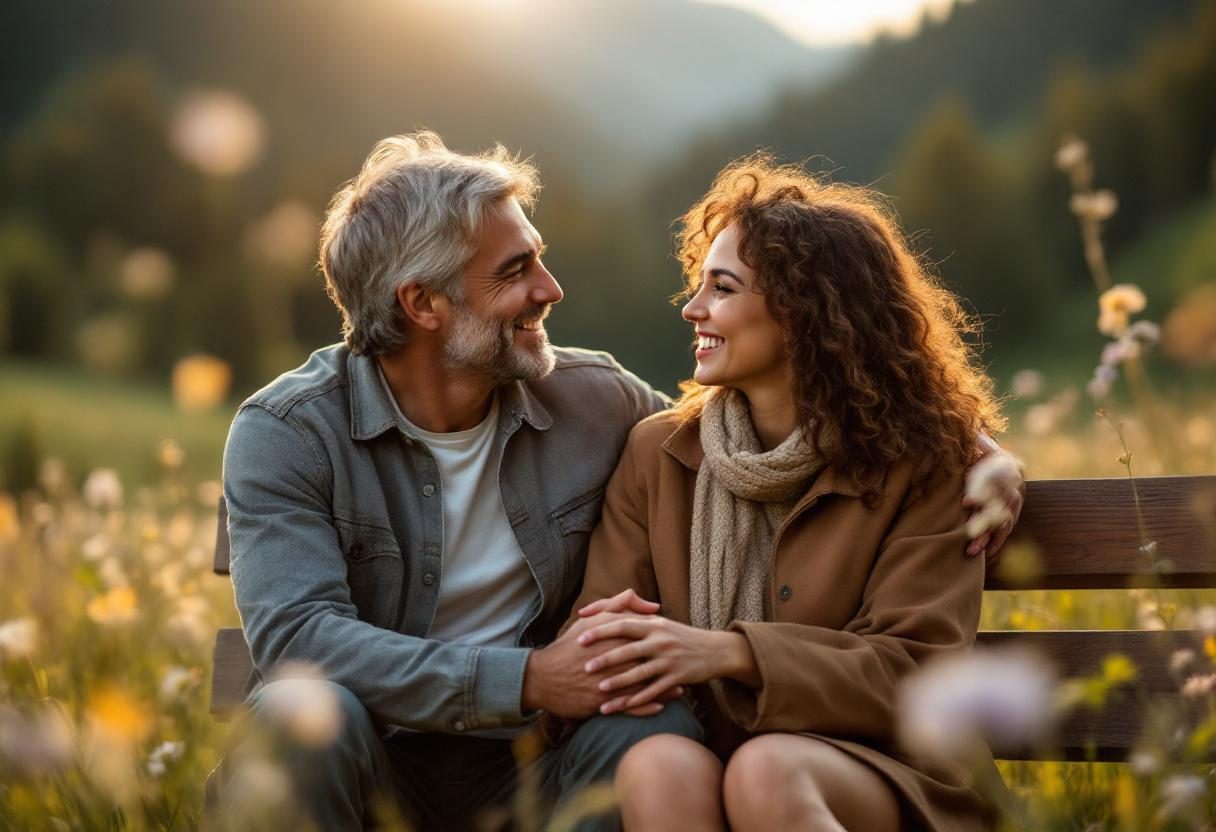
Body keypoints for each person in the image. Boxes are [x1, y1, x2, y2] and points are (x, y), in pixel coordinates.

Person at [209, 133, 1021, 830]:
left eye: (541, 260)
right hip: (379, 759)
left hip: (538, 771)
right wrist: (528, 678)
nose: (550, 290)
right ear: (422, 304)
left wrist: (970, 440)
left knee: (650, 729)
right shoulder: (288, 435)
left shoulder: (596, 404)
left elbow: (771, 432)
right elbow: (298, 642)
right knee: (295, 715)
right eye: (517, 269)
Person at [564, 156, 1013, 831]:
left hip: (895, 770)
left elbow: (920, 674)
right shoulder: (657, 453)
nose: (693, 309)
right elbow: (602, 639)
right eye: (698, 285)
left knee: (767, 769)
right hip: (714, 753)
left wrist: (733, 653)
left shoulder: (929, 463)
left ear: (805, 313)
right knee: (660, 764)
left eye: (722, 288)